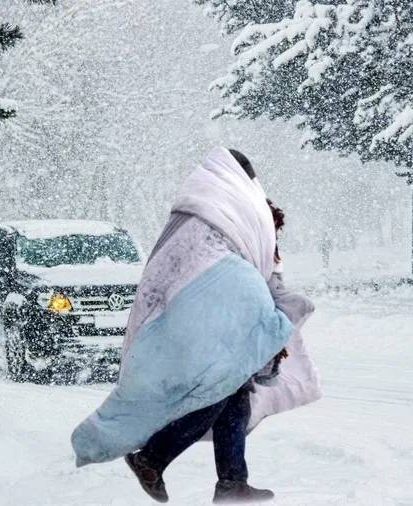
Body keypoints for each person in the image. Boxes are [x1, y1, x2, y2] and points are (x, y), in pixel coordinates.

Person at [71, 147, 321, 504]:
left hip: (206, 324)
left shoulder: (211, 220)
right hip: (210, 325)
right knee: (216, 393)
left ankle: (231, 482)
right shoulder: (229, 223)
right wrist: (269, 323)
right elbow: (250, 283)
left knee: (232, 397)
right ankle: (152, 458)